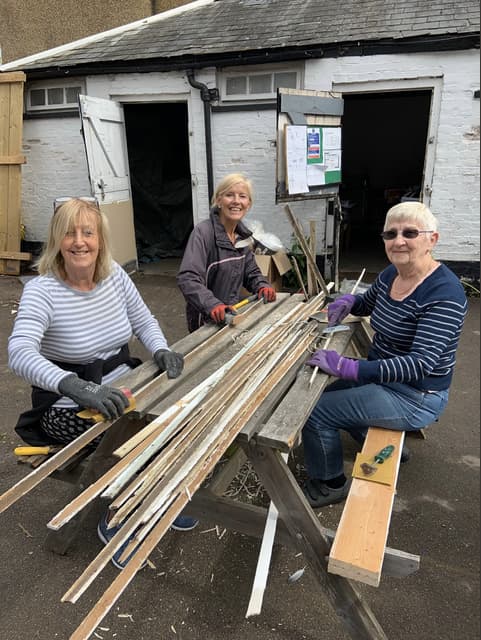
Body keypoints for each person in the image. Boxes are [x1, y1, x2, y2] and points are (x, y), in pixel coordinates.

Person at [8, 197, 195, 568]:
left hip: (122, 386)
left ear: (100, 239)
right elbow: (20, 352)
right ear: (56, 240)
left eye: (88, 232)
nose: (79, 242)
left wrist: (160, 349)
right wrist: (74, 386)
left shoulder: (113, 274)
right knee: (127, 438)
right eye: (69, 233)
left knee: (177, 414)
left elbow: (143, 319)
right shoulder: (42, 291)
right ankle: (117, 518)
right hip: (65, 405)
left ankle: (161, 495)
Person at [302, 201, 468, 508]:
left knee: (315, 412)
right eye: (390, 234)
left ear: (432, 239)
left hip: (416, 394)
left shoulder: (444, 293)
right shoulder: (394, 273)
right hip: (385, 379)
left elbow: (419, 365)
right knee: (328, 394)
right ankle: (378, 435)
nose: (398, 240)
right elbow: (369, 304)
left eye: (410, 232)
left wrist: (351, 368)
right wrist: (350, 301)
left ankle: (330, 483)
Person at [177, 173, 277, 332]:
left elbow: (250, 272)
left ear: (248, 204)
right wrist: (213, 305)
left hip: (231, 316)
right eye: (229, 195)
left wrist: (262, 285)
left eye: (242, 196)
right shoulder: (203, 233)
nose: (236, 201)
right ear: (218, 201)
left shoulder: (242, 237)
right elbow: (188, 278)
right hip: (205, 320)